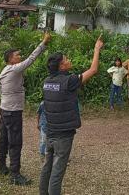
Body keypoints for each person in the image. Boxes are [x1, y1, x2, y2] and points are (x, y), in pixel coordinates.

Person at [39, 36, 104, 195]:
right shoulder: (69, 81)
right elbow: (93, 70)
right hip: (63, 135)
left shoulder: (47, 81)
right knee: (57, 171)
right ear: (61, 66)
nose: (69, 61)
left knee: (47, 166)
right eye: (67, 59)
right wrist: (97, 49)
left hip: (49, 132)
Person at [0, 32, 51, 185]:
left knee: (4, 138)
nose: (20, 57)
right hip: (12, 112)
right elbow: (31, 59)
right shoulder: (14, 69)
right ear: (10, 59)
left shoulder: (5, 70)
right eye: (17, 55)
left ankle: (1, 165)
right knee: (15, 142)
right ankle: (14, 175)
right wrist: (44, 43)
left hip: (4, 109)